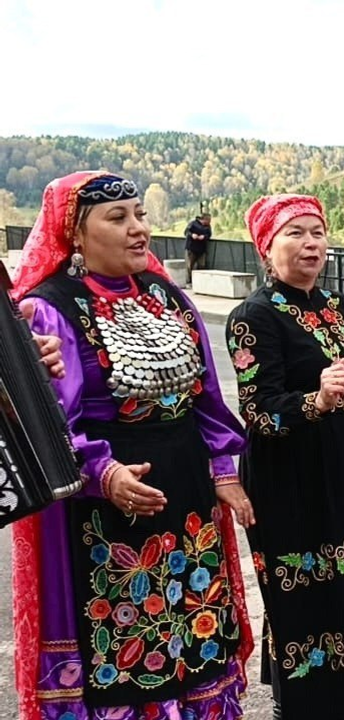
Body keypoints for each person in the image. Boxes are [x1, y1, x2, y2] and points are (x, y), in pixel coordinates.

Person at [11, 171, 254, 720]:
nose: (138, 229)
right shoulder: (52, 309)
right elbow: (52, 425)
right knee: (128, 635)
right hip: (109, 507)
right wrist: (105, 474)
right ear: (75, 233)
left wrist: (224, 471)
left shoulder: (168, 296)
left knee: (197, 624)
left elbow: (206, 400)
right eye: (117, 218)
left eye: (140, 214)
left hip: (186, 494)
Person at [227, 194, 344, 719]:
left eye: (317, 233)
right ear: (267, 247)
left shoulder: (334, 305)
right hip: (290, 472)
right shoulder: (252, 316)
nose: (310, 244)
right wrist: (316, 400)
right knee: (302, 590)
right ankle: (300, 702)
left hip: (342, 463)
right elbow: (258, 409)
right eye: (295, 233)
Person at [185, 212, 212, 284]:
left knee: (201, 265)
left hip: (202, 249)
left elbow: (209, 234)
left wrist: (204, 237)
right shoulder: (193, 223)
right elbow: (186, 232)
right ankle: (189, 281)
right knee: (190, 265)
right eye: (208, 220)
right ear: (204, 219)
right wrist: (192, 235)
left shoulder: (208, 226)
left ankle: (200, 281)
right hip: (191, 248)